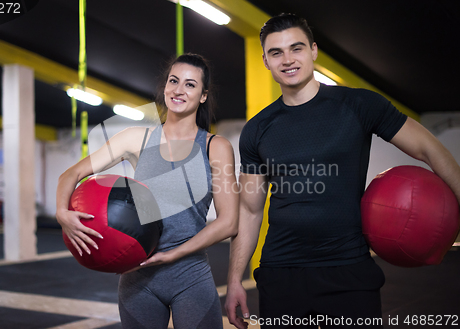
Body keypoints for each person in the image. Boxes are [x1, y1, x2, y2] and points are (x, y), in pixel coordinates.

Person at [224, 13, 460, 329]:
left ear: (313, 51)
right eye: (276, 52)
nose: (288, 59)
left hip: (349, 270)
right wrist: (235, 279)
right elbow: (250, 210)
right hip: (282, 272)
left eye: (296, 48)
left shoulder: (359, 105)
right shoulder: (257, 129)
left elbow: (430, 148)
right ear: (265, 61)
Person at [56, 53, 239, 329]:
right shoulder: (135, 139)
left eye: (190, 85)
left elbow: (229, 222)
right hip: (137, 279)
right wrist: (62, 213)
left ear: (203, 95)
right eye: (173, 81)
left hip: (190, 274)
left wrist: (174, 254)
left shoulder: (216, 147)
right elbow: (71, 174)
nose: (178, 90)